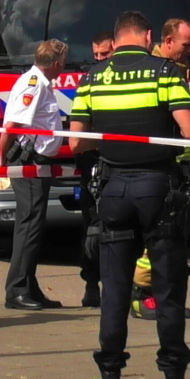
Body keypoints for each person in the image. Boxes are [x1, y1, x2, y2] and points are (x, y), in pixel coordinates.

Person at [70, 11, 190, 379]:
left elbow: (75, 142)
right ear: (147, 36)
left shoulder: (91, 77)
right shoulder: (163, 71)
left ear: (117, 36)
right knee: (168, 291)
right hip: (158, 189)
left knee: (114, 292)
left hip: (113, 190)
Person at [0, 39, 68, 311]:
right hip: (29, 160)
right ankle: (17, 291)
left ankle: (29, 287)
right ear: (57, 63)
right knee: (28, 225)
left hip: (35, 160)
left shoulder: (39, 83)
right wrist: (2, 157)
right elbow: (12, 125)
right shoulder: (33, 85)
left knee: (33, 226)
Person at [132, 18, 190, 321]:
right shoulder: (160, 70)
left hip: (175, 164)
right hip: (161, 166)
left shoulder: (175, 68)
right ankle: (144, 294)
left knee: (169, 237)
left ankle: (157, 294)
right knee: (158, 236)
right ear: (168, 42)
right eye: (186, 45)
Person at [77, 34, 115, 309]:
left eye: (105, 54)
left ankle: (117, 286)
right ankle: (91, 284)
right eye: (96, 55)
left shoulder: (124, 79)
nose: (99, 60)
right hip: (92, 163)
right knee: (91, 226)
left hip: (118, 162)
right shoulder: (88, 80)